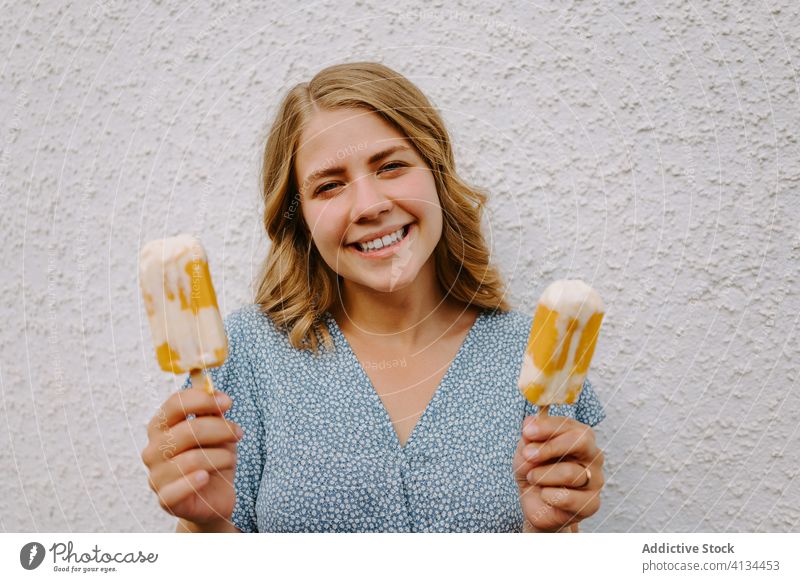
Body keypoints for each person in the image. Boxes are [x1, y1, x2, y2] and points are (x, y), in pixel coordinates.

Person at [140, 61, 606, 533]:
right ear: (299, 217)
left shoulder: (532, 354)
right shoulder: (246, 353)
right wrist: (205, 525)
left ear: (437, 175)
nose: (370, 206)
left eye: (392, 166)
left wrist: (549, 532)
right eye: (329, 186)